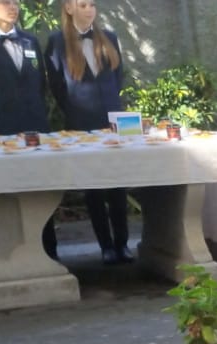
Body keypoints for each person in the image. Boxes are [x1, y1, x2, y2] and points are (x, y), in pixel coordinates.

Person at [0, 0, 56, 258]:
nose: (13, 6)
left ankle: (50, 251)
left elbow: (40, 83)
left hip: (35, 127)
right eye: (6, 2)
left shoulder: (30, 41)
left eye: (15, 2)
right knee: (10, 191)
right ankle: (17, 254)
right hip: (2, 128)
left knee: (42, 189)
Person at [45, 0, 132, 265]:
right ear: (69, 8)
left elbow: (117, 77)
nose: (89, 9)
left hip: (112, 121)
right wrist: (75, 110)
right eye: (83, 5)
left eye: (92, 5)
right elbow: (57, 85)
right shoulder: (57, 42)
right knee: (93, 187)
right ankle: (105, 246)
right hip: (81, 122)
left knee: (117, 184)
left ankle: (122, 244)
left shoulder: (109, 37)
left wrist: (110, 107)